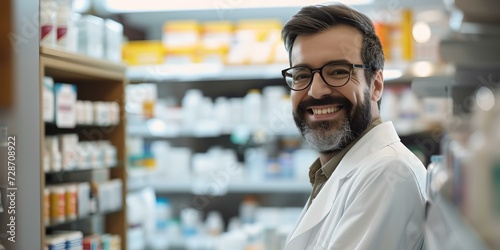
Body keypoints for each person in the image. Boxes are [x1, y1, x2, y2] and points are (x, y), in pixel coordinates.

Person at [280, 3, 427, 250]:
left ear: (376, 85)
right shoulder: (332, 173)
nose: (316, 91)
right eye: (302, 75)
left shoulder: (388, 173)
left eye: (338, 71)